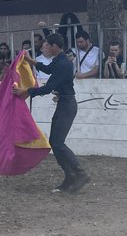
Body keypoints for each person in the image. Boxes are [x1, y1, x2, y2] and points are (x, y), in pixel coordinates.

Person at [14, 33, 90, 193]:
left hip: (66, 105)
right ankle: (70, 175)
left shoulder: (62, 64)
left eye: (48, 46)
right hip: (65, 103)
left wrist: (25, 91)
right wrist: (30, 61)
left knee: (57, 142)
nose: (46, 48)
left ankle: (79, 173)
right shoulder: (60, 61)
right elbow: (48, 69)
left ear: (55, 46)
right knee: (55, 141)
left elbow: (48, 88)